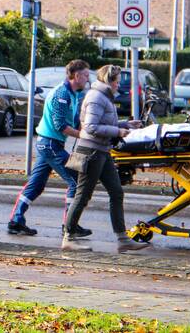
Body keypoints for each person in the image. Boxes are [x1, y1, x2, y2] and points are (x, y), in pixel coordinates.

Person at [61, 64, 148, 252]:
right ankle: (68, 237)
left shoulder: (104, 97)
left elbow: (103, 122)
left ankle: (123, 239)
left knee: (116, 192)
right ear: (108, 80)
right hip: (91, 152)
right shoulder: (96, 97)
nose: (118, 85)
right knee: (83, 195)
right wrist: (118, 131)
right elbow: (90, 127)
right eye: (116, 81)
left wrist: (127, 124)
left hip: (102, 151)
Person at [8, 60, 91, 237]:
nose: (87, 78)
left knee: (36, 185)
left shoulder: (73, 93)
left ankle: (16, 221)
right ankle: (70, 226)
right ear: (76, 76)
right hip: (50, 144)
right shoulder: (62, 94)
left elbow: (74, 120)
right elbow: (60, 125)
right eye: (85, 75)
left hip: (49, 143)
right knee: (76, 181)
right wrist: (83, 135)